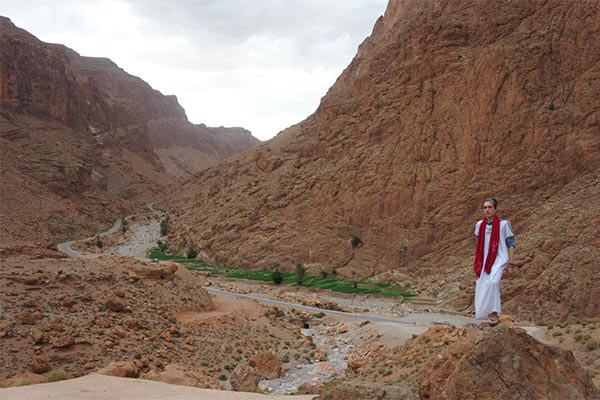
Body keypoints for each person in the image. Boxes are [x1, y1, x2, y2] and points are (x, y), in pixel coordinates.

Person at [473, 198, 516, 326]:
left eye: (490, 207)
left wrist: (510, 264)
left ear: (495, 209)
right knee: (482, 286)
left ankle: (494, 313)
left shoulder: (504, 224)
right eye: (485, 207)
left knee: (493, 282)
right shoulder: (479, 225)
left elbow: (511, 244)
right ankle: (488, 314)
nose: (487, 210)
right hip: (485, 261)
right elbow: (479, 243)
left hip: (500, 258)